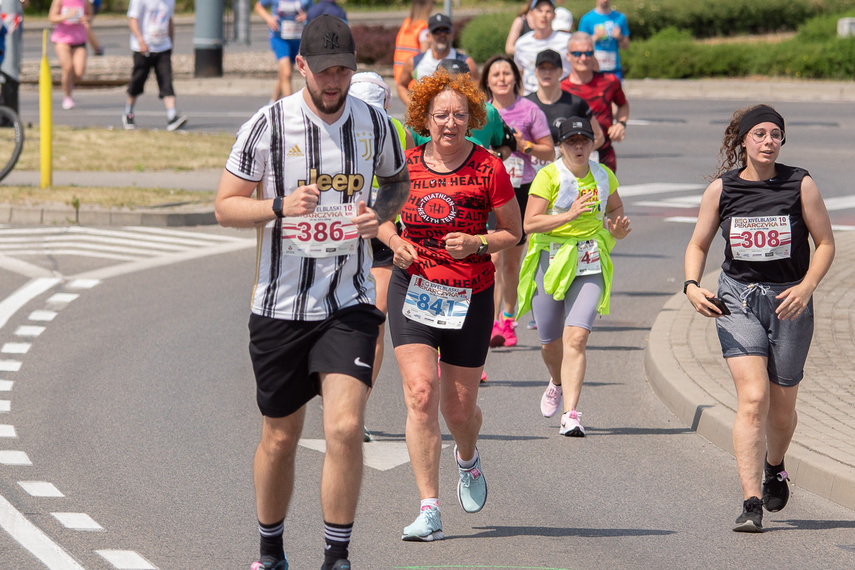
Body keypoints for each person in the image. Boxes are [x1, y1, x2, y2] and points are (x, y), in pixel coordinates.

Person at [215, 16, 410, 569]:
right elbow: (226, 205)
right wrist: (277, 207)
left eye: (343, 70)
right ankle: (271, 550)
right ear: (301, 66)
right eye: (323, 71)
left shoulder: (375, 124)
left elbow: (398, 182)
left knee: (345, 427)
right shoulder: (267, 126)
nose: (333, 82)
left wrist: (381, 215)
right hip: (279, 305)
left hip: (347, 302)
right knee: (279, 436)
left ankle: (336, 557)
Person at [379, 68, 521, 541]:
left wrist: (479, 242)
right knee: (421, 395)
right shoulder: (405, 164)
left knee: (459, 412)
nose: (450, 123)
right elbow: (377, 218)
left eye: (459, 115)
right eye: (440, 115)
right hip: (413, 289)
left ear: (472, 118)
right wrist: (394, 240)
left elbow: (512, 233)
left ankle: (468, 458)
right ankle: (429, 509)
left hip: (470, 295)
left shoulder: (489, 167)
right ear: (424, 118)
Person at [683, 104, 834, 532]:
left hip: (790, 301)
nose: (769, 141)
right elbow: (698, 244)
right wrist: (692, 285)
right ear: (743, 140)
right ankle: (751, 502)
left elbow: (825, 243)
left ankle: (775, 465)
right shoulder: (722, 190)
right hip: (738, 300)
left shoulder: (799, 183)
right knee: (753, 399)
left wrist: (806, 287)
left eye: (776, 135)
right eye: (760, 134)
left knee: (782, 411)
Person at [519, 116, 630, 437]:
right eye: (571, 141)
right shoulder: (548, 176)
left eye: (584, 140)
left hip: (590, 258)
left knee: (577, 338)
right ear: (560, 146)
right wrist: (568, 215)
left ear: (593, 143)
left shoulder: (604, 176)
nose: (578, 146)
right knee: (549, 341)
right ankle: (556, 381)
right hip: (550, 260)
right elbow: (530, 224)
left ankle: (571, 414)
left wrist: (617, 229)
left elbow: (615, 213)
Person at [347, 71, 413, 441]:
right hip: (342, 234)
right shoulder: (335, 128)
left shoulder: (398, 132)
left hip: (385, 232)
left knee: (373, 320)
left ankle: (356, 409)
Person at [480, 55, 553, 348]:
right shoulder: (478, 111)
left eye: (506, 73)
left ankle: (508, 320)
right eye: (495, 73)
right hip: (485, 192)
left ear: (515, 78)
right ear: (487, 80)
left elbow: (549, 151)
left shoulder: (529, 110)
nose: (501, 78)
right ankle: (488, 323)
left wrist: (523, 145)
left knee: (511, 264)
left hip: (520, 189)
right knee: (491, 258)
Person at [409, 58, 514, 164]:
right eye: (446, 84)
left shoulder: (488, 112)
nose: (451, 124)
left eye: (460, 85)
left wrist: (495, 156)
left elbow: (509, 144)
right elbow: (404, 152)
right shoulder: (422, 113)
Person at [560, 32, 628, 172]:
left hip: (603, 154)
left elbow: (623, 104)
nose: (583, 58)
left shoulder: (609, 81)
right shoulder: (561, 88)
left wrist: (620, 124)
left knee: (606, 194)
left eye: (588, 53)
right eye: (577, 53)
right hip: (569, 158)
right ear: (568, 56)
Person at [123, 0, 187, 131]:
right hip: (144, 47)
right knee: (137, 81)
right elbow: (133, 20)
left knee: (166, 81)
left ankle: (172, 115)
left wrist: (170, 44)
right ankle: (128, 113)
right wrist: (141, 40)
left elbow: (169, 21)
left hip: (162, 46)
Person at [525, 48, 603, 156]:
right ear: (535, 72)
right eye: (542, 68)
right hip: (533, 169)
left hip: (567, 169)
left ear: (561, 72)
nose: (547, 72)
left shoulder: (576, 103)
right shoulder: (525, 104)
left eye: (552, 68)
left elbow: (599, 136)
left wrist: (575, 155)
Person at [396, 13, 479, 107]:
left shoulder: (466, 62)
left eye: (446, 30)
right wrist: (414, 106)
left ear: (452, 34)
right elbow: (401, 85)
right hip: (424, 119)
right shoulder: (414, 62)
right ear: (428, 36)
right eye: (437, 31)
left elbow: (479, 89)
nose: (442, 34)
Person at [254, 0, 312, 102]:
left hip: (296, 38)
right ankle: (290, 109)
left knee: (283, 75)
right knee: (286, 73)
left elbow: (313, 12)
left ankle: (272, 103)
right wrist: (269, 19)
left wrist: (306, 17)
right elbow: (258, 7)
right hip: (279, 38)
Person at [513, 0, 571, 96]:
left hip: (561, 98)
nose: (544, 15)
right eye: (539, 11)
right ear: (531, 14)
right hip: (531, 99)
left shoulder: (567, 41)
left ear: (554, 15)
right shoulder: (521, 44)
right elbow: (518, 75)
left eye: (548, 11)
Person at [49, 0, 92, 110]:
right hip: (62, 39)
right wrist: (67, 16)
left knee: (78, 73)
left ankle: (68, 84)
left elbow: (90, 15)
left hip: (79, 39)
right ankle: (67, 96)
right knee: (67, 67)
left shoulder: (84, 1)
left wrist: (86, 19)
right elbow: (52, 18)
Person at [576, 0, 629, 81]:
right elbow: (579, 47)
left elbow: (626, 47)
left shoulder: (620, 18)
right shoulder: (586, 19)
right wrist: (595, 37)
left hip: (614, 69)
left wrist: (620, 37)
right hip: (594, 69)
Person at [393, 0, 432, 85]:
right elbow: (424, 57)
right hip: (414, 78)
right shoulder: (423, 28)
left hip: (401, 76)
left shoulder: (406, 25)